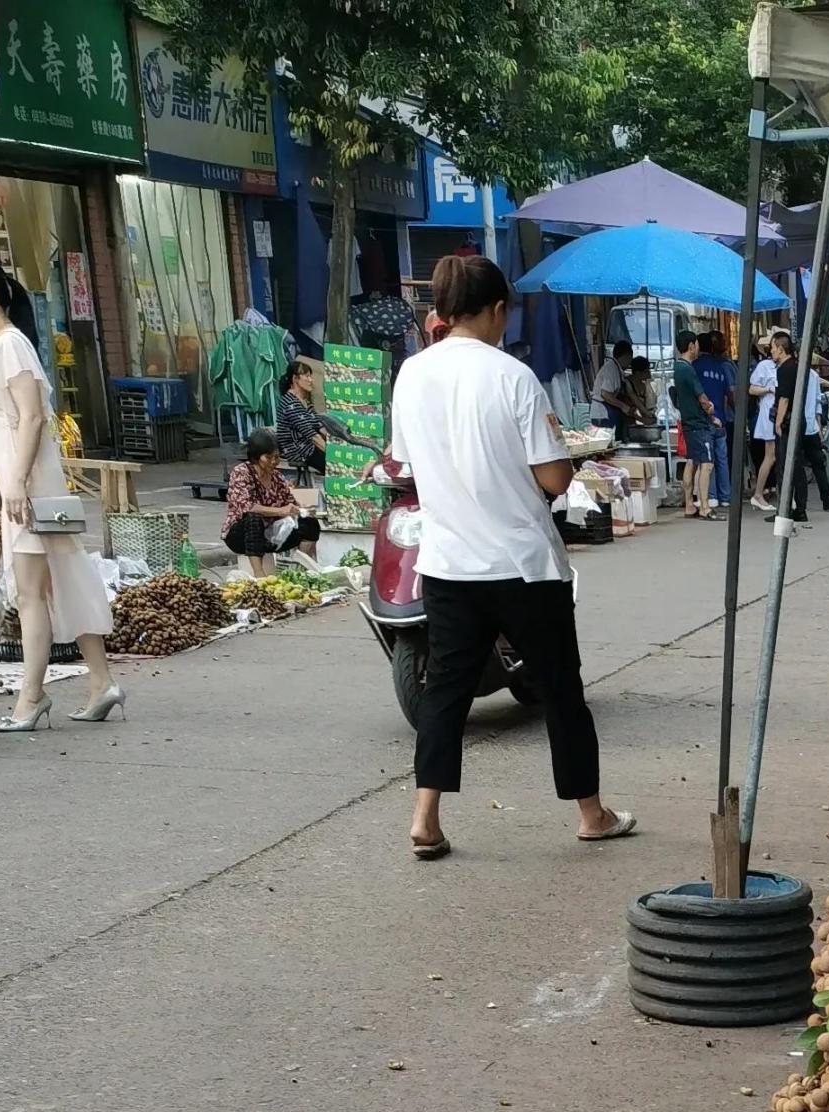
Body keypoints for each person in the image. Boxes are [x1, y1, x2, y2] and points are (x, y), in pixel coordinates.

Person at [385, 250, 632, 863]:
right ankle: (591, 813)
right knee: (559, 689)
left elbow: (407, 461)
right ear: (497, 310)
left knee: (445, 690)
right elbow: (551, 479)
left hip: (446, 563)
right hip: (522, 564)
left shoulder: (411, 374)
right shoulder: (512, 376)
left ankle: (425, 817)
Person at [0, 253, 121, 733]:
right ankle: (101, 681)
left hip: (28, 487)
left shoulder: (9, 346)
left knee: (31, 594)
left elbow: (33, 416)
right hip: (23, 484)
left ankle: (31, 697)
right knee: (59, 579)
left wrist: (18, 484)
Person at [221, 432, 321, 575]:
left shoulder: (277, 477)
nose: (274, 461)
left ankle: (300, 570)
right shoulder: (241, 473)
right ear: (256, 457)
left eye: (277, 457)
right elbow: (247, 506)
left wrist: (301, 510)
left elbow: (290, 503)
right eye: (268, 457)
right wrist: (280, 511)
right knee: (253, 518)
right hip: (240, 536)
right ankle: (259, 573)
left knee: (310, 523)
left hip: (270, 535)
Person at [275, 356, 368, 490]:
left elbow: (320, 427)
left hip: (311, 446)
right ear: (295, 379)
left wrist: (339, 442)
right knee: (338, 465)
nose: (310, 380)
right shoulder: (290, 403)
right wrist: (332, 453)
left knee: (343, 454)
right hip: (300, 449)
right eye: (306, 376)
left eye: (310, 376)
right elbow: (313, 437)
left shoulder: (305, 401)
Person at [767, 333, 829, 515]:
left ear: (781, 349)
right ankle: (799, 507)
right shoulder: (798, 368)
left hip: (789, 421)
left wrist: (778, 423)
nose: (771, 351)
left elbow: (784, 399)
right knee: (796, 465)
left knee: (785, 465)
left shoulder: (785, 369)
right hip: (799, 420)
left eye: (772, 348)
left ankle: (786, 508)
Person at [671, 331, 720, 517]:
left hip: (687, 421)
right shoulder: (687, 369)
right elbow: (701, 397)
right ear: (691, 346)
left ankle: (689, 504)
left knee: (691, 462)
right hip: (698, 423)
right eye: (697, 344)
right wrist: (711, 411)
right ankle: (705, 507)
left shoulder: (676, 368)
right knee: (706, 464)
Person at [695, 332, 736, 509]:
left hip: (705, 419)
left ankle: (711, 496)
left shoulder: (695, 367)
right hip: (721, 417)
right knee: (722, 459)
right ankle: (726, 496)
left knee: (707, 460)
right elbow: (730, 394)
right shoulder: (720, 368)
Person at [748, 334, 780, 504]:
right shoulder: (764, 366)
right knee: (771, 456)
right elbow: (752, 389)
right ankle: (759, 493)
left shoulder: (785, 366)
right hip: (769, 415)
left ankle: (767, 491)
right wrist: (768, 389)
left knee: (776, 456)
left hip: (780, 414)